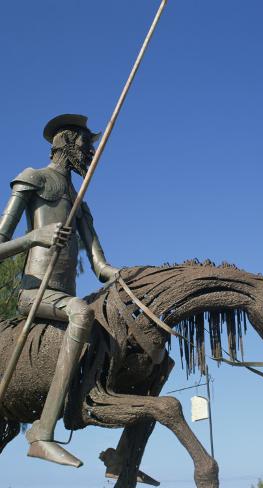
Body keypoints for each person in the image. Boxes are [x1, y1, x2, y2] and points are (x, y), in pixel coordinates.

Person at [0, 114, 119, 467]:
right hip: (34, 294)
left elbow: (99, 264)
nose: (90, 152)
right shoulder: (32, 178)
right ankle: (42, 431)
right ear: (66, 143)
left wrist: (122, 277)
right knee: (81, 313)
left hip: (63, 294)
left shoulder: (78, 199)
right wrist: (34, 237)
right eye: (85, 144)